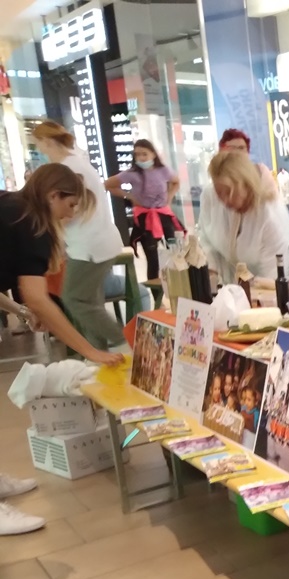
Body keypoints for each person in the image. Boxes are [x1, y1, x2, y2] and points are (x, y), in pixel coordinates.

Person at [1, 164, 123, 535]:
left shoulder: (12, 207)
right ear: (53, 195)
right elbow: (40, 299)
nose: (69, 216)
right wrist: (92, 350)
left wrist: (22, 311)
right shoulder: (32, 224)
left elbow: (30, 302)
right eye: (69, 207)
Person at [32, 121, 126, 350]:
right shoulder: (76, 162)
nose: (39, 149)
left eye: (38, 144)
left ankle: (123, 341)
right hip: (92, 242)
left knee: (74, 299)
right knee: (90, 303)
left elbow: (70, 210)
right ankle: (101, 356)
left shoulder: (69, 168)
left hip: (89, 245)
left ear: (46, 142)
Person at [197, 150, 289, 282]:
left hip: (284, 277)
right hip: (239, 282)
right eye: (219, 193)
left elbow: (271, 280)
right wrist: (212, 272)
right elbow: (206, 237)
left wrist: (249, 292)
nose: (225, 201)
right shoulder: (210, 197)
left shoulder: (270, 216)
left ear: (246, 184)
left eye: (229, 193)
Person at [104, 139, 182, 292]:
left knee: (175, 253)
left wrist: (169, 198)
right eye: (137, 155)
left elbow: (176, 182)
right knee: (152, 258)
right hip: (145, 218)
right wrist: (129, 196)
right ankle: (157, 295)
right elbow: (108, 184)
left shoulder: (164, 170)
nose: (141, 158)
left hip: (164, 215)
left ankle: (179, 289)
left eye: (144, 154)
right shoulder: (132, 174)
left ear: (153, 154)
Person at [218, 128, 278, 200]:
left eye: (241, 148)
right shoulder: (215, 184)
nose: (237, 152)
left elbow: (275, 202)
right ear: (222, 152)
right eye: (232, 148)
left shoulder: (260, 172)